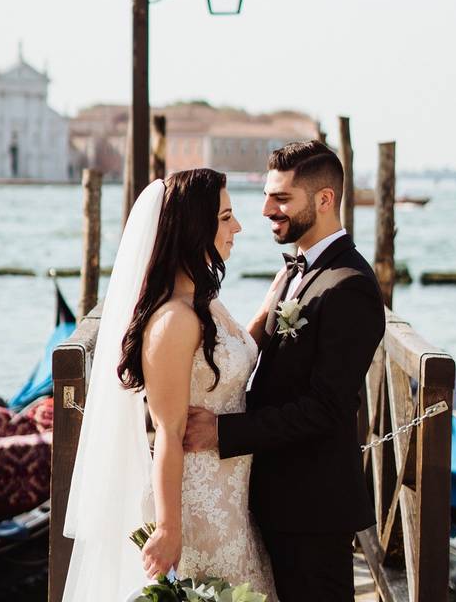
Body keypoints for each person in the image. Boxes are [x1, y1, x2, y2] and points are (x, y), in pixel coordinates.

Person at [183, 140, 386, 602]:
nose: (266, 210)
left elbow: (326, 408)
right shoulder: (300, 271)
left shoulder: (349, 286)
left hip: (312, 507)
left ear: (324, 199)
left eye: (281, 199)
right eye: (267, 195)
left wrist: (223, 432)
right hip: (275, 497)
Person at [63, 169, 278, 601]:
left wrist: (277, 298)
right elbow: (167, 431)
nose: (237, 227)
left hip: (232, 503)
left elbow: (235, 354)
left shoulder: (205, 302)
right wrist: (168, 528)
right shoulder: (174, 320)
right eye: (225, 217)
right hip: (196, 506)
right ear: (194, 226)